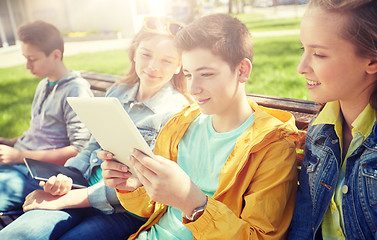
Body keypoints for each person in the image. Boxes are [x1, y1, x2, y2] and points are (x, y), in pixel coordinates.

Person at [100, 13, 299, 239]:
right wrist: (132, 185)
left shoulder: (272, 147)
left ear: (242, 70)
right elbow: (151, 208)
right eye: (188, 74)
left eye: (206, 74)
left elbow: (260, 237)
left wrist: (192, 202)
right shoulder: (181, 124)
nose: (193, 88)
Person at [0, 17, 192, 239]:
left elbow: (144, 185)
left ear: (180, 66)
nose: (153, 66)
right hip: (79, 190)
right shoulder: (117, 93)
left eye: (167, 60)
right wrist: (65, 176)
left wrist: (65, 199)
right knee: (19, 234)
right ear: (134, 53)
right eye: (146, 55)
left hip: (123, 210)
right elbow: (91, 146)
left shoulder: (177, 113)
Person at [288, 0, 377, 239]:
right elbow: (304, 225)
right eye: (302, 50)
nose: (301, 67)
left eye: (318, 54)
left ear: (372, 61)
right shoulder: (319, 131)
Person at [0, 20, 93, 212]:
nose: (27, 65)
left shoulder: (76, 90)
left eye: (32, 59)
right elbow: (40, 131)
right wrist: (10, 142)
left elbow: (79, 150)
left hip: (36, 173)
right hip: (18, 163)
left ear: (56, 55)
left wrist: (19, 156)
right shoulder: (44, 84)